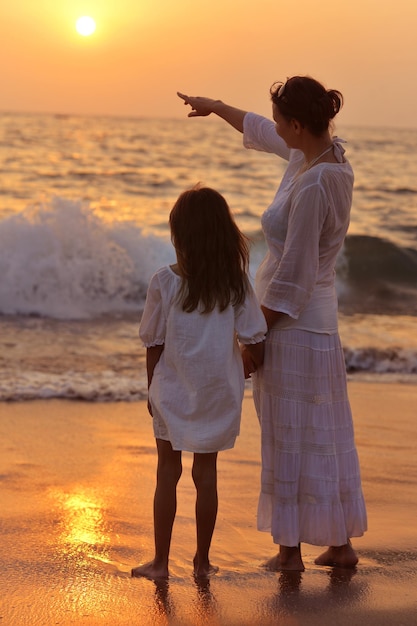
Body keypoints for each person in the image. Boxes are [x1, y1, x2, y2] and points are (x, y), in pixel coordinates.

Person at [177, 76, 367, 572]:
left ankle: (289, 553)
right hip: (315, 324)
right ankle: (339, 544)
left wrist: (252, 335)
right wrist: (215, 105)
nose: (277, 130)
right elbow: (261, 129)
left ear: (300, 125)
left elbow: (296, 274)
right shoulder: (322, 157)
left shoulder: (316, 182)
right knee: (320, 434)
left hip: (294, 326)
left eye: (284, 122)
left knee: (287, 434)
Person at [132, 185, 266, 580]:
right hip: (217, 392)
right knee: (206, 476)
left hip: (172, 389)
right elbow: (255, 335)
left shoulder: (165, 281)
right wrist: (245, 363)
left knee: (166, 474)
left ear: (180, 237)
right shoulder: (236, 283)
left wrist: (151, 389)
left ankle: (160, 562)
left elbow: (153, 341)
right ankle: (202, 562)